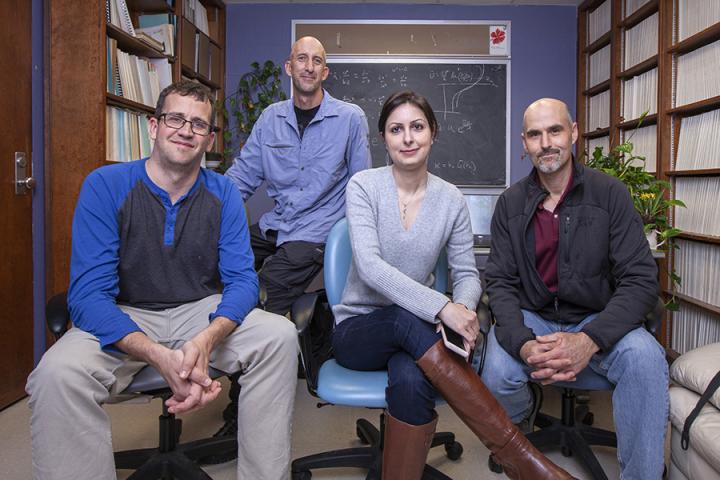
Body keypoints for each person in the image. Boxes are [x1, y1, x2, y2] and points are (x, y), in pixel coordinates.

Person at [25, 81, 299, 480]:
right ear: (154, 126)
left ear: (208, 139)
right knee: (56, 374)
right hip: (125, 312)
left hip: (200, 311)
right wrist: (160, 356)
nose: (186, 130)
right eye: (175, 118)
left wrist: (205, 341)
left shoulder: (224, 193)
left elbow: (242, 282)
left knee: (279, 335)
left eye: (199, 124)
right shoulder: (105, 186)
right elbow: (87, 295)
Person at [332, 90, 575, 480]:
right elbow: (371, 268)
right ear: (384, 139)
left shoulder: (451, 200)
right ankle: (522, 459)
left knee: (412, 382)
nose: (407, 138)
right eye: (397, 129)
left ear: (433, 133)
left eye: (417, 127)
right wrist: (444, 309)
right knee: (399, 318)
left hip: (418, 337)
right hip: (359, 331)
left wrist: (461, 308)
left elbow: (465, 274)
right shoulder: (363, 186)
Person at [481, 98, 669, 478]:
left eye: (555, 131)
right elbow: (499, 282)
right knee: (496, 373)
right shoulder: (510, 203)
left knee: (647, 360)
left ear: (574, 133)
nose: (546, 143)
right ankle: (519, 426)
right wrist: (524, 343)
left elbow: (641, 278)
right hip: (535, 318)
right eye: (535, 135)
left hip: (597, 318)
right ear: (524, 143)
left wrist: (589, 340)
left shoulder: (610, 194)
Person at [216, 36, 371, 438]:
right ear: (289, 67)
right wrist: (200, 208)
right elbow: (242, 178)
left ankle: (242, 410)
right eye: (301, 58)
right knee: (216, 259)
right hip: (277, 225)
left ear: (325, 72)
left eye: (316, 60)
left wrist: (353, 249)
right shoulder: (270, 119)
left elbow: (361, 188)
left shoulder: (350, 118)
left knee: (263, 295)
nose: (308, 66)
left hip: (320, 231)